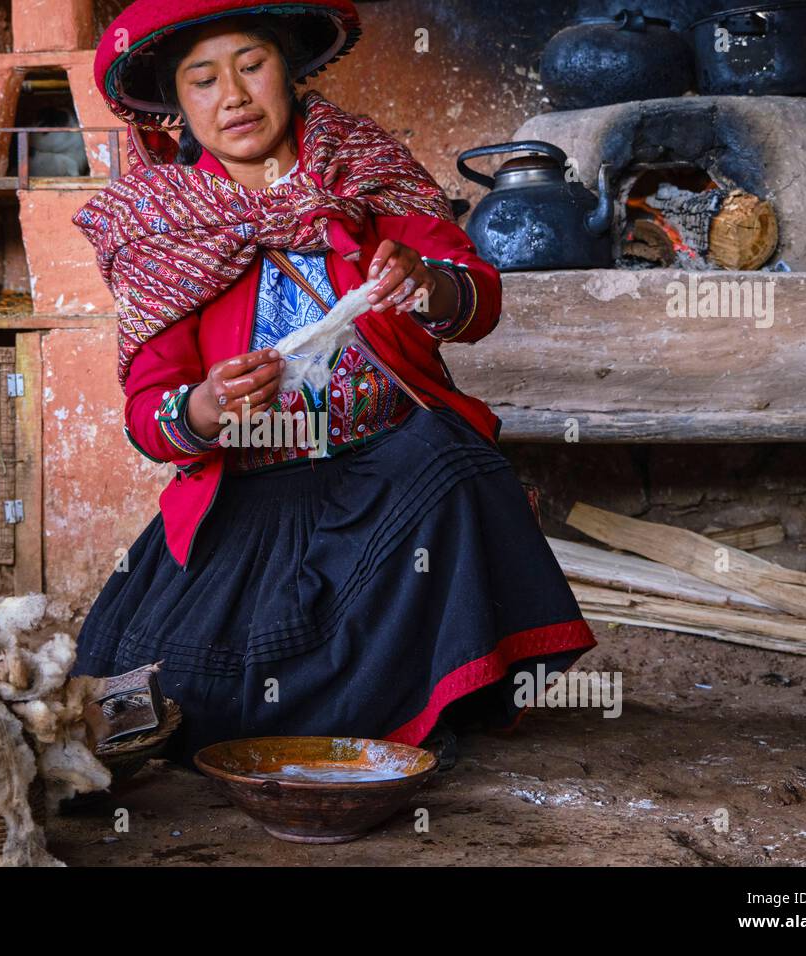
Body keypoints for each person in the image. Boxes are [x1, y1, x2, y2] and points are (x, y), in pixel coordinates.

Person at [71, 0, 596, 769]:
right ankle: (363, 704)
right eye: (204, 80)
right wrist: (207, 405)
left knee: (453, 462)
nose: (234, 96)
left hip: (387, 486)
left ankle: (405, 695)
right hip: (253, 501)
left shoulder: (364, 169)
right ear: (178, 105)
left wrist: (425, 284)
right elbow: (149, 415)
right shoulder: (159, 226)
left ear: (289, 69)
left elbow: (475, 297)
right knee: (189, 695)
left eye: (251, 66)